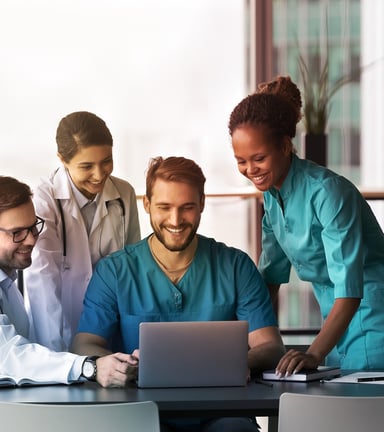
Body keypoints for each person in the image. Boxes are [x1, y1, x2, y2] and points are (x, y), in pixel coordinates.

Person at [72, 156, 285, 432]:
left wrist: (235, 362)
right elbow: (84, 342)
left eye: (187, 208)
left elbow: (270, 345)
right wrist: (105, 364)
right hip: (141, 413)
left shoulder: (236, 266)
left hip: (223, 412)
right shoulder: (115, 271)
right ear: (147, 205)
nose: (176, 220)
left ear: (202, 205)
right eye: (164, 207)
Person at [228, 75, 384, 374]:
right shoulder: (272, 199)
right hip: (335, 323)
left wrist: (313, 354)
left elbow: (351, 289)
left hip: (372, 316)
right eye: (241, 161)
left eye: (258, 158)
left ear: (286, 146)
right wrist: (236, 339)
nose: (250, 170)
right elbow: (270, 279)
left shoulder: (328, 192)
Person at [0, 176, 98, 431]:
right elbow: (10, 354)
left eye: (33, 227)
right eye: (17, 232)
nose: (31, 239)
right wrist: (86, 366)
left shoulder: (3, 276)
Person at [24, 111, 141, 351]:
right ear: (62, 160)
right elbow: (43, 278)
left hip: (109, 327)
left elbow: (132, 266)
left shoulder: (124, 194)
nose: (99, 175)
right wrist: (55, 354)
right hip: (60, 326)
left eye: (106, 161)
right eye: (86, 166)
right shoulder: (45, 200)